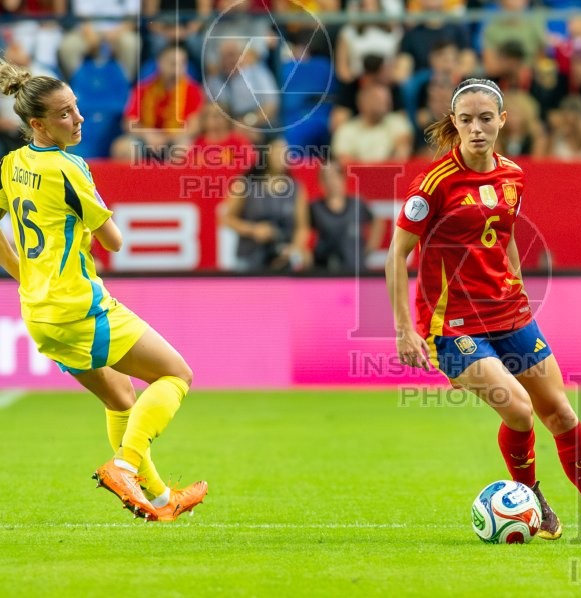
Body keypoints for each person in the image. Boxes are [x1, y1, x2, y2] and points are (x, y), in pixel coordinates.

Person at [385, 77, 581, 542]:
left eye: (485, 119)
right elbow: (395, 254)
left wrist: (520, 288)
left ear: (502, 120)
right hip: (453, 325)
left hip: (510, 313)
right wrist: (404, 329)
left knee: (563, 415)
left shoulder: (513, 175)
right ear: (455, 123)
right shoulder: (434, 184)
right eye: (466, 120)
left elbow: (503, 235)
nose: (476, 129)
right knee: (521, 411)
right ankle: (533, 502)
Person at [0, 58, 206, 521]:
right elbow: (115, 240)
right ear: (38, 124)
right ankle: (124, 465)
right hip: (79, 306)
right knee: (176, 375)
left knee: (120, 399)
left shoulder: (11, 165)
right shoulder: (71, 168)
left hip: (39, 313)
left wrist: (23, 273)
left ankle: (158, 501)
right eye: (65, 114)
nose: (79, 119)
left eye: (76, 108)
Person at [219, 138, 311, 272]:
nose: (283, 156)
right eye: (278, 151)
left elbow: (302, 227)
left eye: (286, 152)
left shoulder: (296, 188)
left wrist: (294, 249)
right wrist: (253, 230)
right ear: (266, 154)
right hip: (249, 257)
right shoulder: (246, 184)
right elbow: (226, 218)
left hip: (281, 259)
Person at [309, 160, 385, 273]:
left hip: (355, 270)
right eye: (327, 177)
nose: (331, 182)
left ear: (343, 179)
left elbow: (377, 221)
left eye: (335, 176)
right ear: (321, 181)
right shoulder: (315, 208)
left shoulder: (357, 205)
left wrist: (369, 248)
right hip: (324, 272)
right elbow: (301, 230)